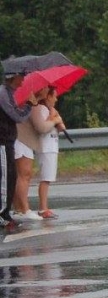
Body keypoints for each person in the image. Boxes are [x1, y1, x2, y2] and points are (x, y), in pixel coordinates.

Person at [0, 68, 37, 232]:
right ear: (14, 77)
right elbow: (17, 116)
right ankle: (2, 214)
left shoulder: (10, 93)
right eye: (21, 76)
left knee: (11, 177)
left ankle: (6, 213)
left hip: (8, 140)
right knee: (5, 178)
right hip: (2, 141)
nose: (23, 79)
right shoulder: (3, 93)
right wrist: (29, 105)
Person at [13, 86, 55, 220]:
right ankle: (24, 209)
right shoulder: (31, 103)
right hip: (23, 139)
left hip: (21, 139)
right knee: (24, 175)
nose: (46, 89)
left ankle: (18, 208)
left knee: (19, 175)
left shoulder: (29, 102)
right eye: (45, 87)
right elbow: (41, 127)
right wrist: (54, 120)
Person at [33, 87, 65, 218]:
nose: (56, 99)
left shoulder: (51, 110)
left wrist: (57, 118)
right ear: (48, 97)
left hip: (52, 146)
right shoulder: (41, 109)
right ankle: (42, 208)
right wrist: (53, 118)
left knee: (49, 177)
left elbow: (62, 127)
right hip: (45, 147)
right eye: (54, 96)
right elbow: (43, 127)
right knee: (45, 178)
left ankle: (44, 207)